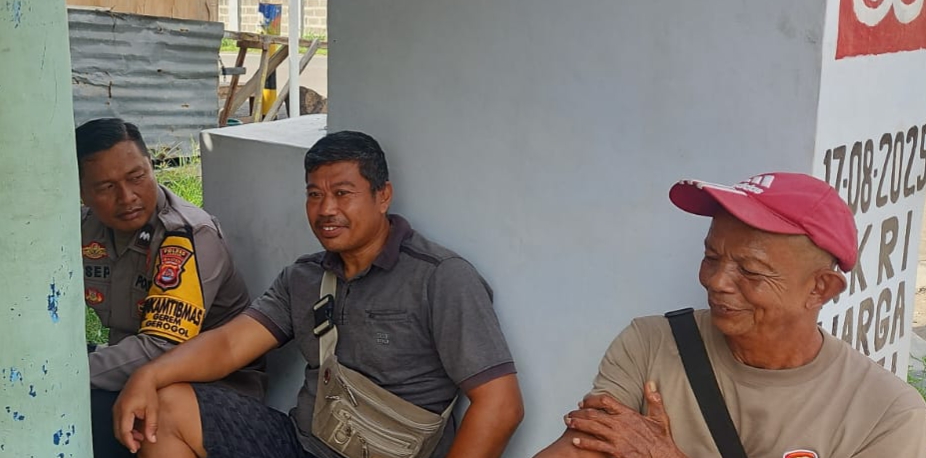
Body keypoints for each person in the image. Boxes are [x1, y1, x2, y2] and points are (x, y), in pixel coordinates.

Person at [112, 130, 524, 458]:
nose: (326, 209)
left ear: (383, 196)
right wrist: (148, 375)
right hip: (303, 445)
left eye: (343, 193)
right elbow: (230, 344)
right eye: (314, 194)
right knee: (164, 408)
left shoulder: (440, 277)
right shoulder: (304, 276)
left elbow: (500, 405)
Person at [534, 172, 926, 458]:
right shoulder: (650, 344)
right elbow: (581, 447)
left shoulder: (886, 414)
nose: (717, 281)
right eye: (711, 257)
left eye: (750, 270)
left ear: (819, 288)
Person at [76, 118, 266, 458]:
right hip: (130, 374)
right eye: (106, 187)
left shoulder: (187, 236)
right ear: (82, 192)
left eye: (137, 177)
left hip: (207, 393)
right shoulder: (84, 230)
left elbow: (161, 346)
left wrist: (66, 374)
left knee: (70, 411)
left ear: (152, 167)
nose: (127, 197)